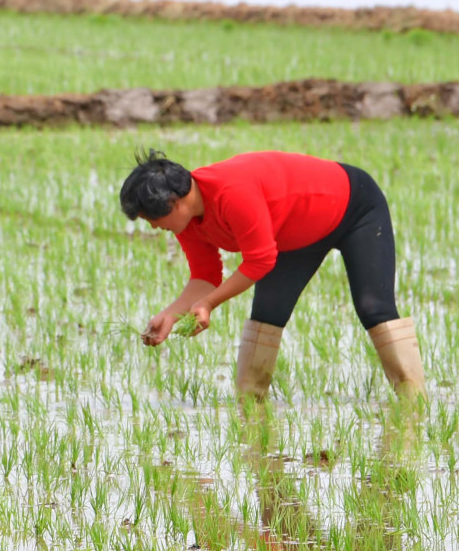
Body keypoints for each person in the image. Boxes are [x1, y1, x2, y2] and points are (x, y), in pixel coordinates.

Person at [121, 149, 425, 400]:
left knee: (374, 308)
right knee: (267, 315)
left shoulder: (231, 193)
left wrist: (209, 304)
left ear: (175, 201)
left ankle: (414, 405)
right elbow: (205, 275)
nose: (153, 227)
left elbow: (260, 261)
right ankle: (250, 410)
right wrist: (171, 315)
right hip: (294, 233)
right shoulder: (186, 221)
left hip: (354, 207)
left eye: (153, 218)